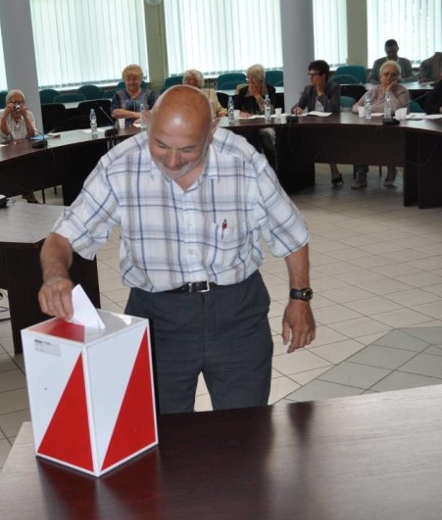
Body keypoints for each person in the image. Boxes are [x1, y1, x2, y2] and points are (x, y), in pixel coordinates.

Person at [38, 85, 315, 415]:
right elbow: (62, 237)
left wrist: (300, 299)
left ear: (212, 132)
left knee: (245, 439)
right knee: (163, 442)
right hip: (157, 322)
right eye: (160, 144)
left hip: (238, 319)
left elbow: (292, 236)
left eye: (187, 149)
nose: (171, 160)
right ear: (146, 121)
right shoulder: (119, 165)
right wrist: (55, 276)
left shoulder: (242, 161)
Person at [351, 60, 409, 189]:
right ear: (380, 76)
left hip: (393, 129)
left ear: (398, 77)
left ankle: (391, 168)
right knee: (359, 139)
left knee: (388, 140)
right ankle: (361, 175)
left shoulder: (402, 92)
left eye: (393, 74)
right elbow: (355, 107)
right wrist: (378, 107)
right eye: (386, 74)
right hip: (371, 128)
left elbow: (395, 109)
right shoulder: (374, 91)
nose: (389, 77)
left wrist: (389, 92)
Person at [291, 60, 343, 186]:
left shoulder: (334, 87)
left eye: (313, 75)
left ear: (323, 76)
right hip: (313, 124)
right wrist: (297, 109)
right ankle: (302, 174)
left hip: (331, 125)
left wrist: (320, 93)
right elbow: (295, 107)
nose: (311, 78)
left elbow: (332, 109)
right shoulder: (308, 89)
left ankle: (334, 171)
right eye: (310, 75)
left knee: (327, 140)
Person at [233, 63, 277, 168]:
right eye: (248, 78)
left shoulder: (270, 90)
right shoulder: (243, 91)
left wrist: (257, 95)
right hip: (247, 125)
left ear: (261, 80)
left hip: (265, 124)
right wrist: (240, 113)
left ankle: (273, 166)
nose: (250, 81)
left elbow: (269, 112)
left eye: (253, 78)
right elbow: (233, 109)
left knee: (266, 134)